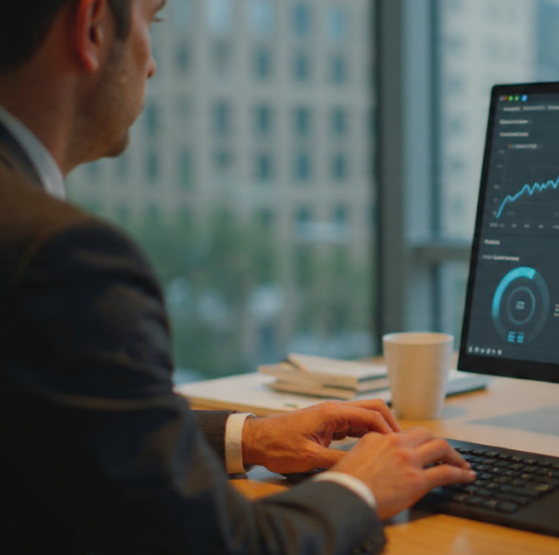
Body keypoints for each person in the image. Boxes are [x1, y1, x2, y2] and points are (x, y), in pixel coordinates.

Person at [0, 1, 475, 553]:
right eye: (151, 24)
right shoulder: (61, 257)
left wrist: (250, 437)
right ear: (92, 27)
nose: (152, 64)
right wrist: (360, 488)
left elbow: (59, 431)